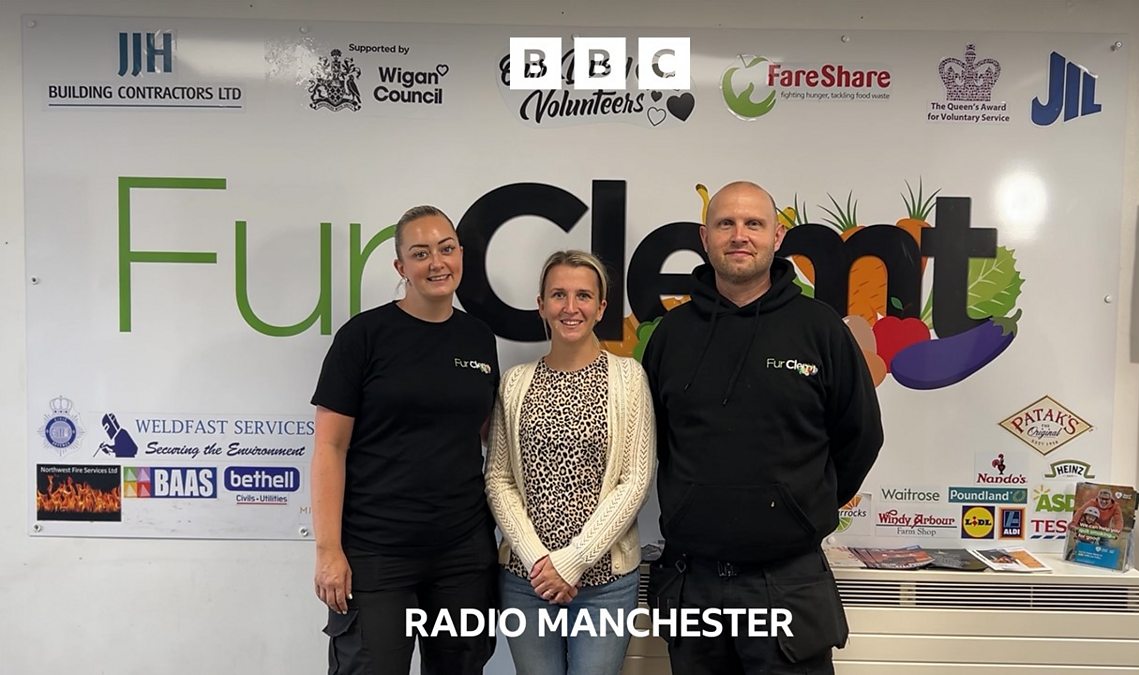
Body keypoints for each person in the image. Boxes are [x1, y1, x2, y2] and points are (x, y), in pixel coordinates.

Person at [641, 181, 884, 674]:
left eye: (754, 223)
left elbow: (860, 436)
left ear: (777, 237)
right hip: (694, 583)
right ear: (705, 237)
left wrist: (798, 505)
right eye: (725, 223)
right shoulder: (672, 335)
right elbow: (654, 441)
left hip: (788, 583)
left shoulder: (820, 329)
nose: (739, 235)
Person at [310, 205, 499, 674]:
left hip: (462, 553)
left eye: (446, 249)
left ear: (460, 254)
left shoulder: (478, 338)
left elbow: (483, 436)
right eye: (420, 253)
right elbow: (330, 447)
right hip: (377, 552)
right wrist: (328, 550)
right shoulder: (364, 336)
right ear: (401, 267)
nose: (437, 263)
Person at [485, 250, 655, 675]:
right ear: (541, 305)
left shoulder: (628, 378)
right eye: (558, 295)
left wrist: (572, 562)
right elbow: (499, 479)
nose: (570, 307)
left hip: (606, 585)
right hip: (528, 581)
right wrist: (538, 561)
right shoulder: (515, 382)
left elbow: (635, 480)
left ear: (601, 307)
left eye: (583, 296)